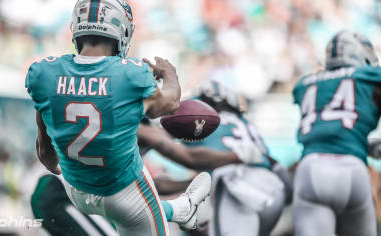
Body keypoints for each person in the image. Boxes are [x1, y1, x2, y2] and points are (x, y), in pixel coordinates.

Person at [25, 0, 211, 235]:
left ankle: (179, 209)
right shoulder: (131, 73)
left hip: (76, 191)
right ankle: (181, 209)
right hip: (125, 192)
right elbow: (171, 103)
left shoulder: (44, 74)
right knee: (140, 208)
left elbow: (45, 154)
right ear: (121, 31)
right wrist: (170, 74)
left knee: (139, 211)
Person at [139, 81, 288, 236]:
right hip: (272, 188)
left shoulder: (202, 121)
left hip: (235, 188)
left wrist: (234, 158)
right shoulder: (245, 124)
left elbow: (192, 158)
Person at [292, 30, 381, 236]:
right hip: (352, 169)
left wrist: (363, 143)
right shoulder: (369, 77)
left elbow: (328, 127)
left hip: (311, 170)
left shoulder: (305, 84)